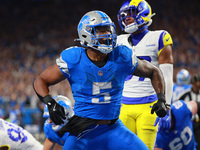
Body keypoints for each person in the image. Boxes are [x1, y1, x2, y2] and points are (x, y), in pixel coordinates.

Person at [33, 10, 167, 150]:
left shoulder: (121, 56)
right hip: (83, 131)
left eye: (108, 29)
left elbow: (154, 71)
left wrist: (162, 99)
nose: (107, 34)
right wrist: (50, 102)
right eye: (101, 31)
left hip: (114, 128)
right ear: (86, 33)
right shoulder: (74, 59)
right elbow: (40, 80)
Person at [116, 0, 173, 149]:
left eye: (130, 13)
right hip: (123, 105)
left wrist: (167, 105)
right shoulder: (118, 40)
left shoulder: (159, 37)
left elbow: (166, 75)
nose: (126, 18)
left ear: (143, 12)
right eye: (124, 15)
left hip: (149, 105)